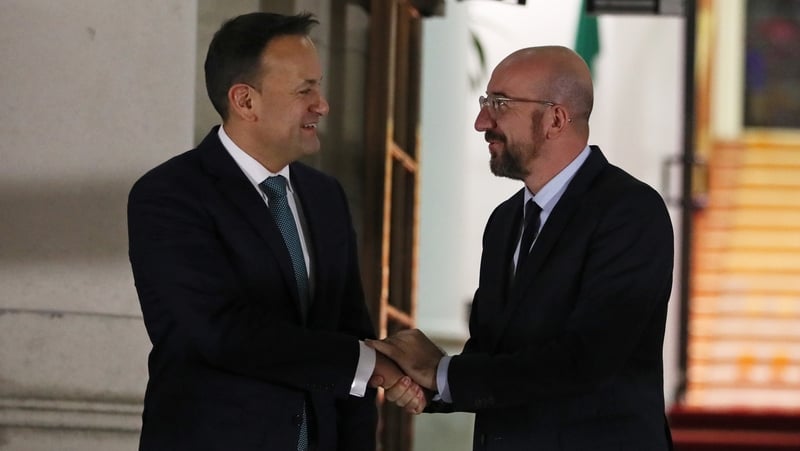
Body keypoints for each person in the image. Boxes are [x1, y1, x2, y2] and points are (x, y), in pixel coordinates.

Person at [128, 12, 423, 451]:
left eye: (318, 86)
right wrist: (370, 364)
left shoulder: (326, 197)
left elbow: (350, 334)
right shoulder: (169, 196)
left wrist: (367, 369)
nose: (322, 104)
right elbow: (221, 333)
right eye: (305, 90)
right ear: (245, 101)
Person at [369, 45, 675, 450]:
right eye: (485, 102)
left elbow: (584, 362)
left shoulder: (631, 212)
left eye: (500, 104)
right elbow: (494, 360)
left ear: (556, 119)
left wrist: (441, 373)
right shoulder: (504, 221)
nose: (482, 121)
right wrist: (420, 383)